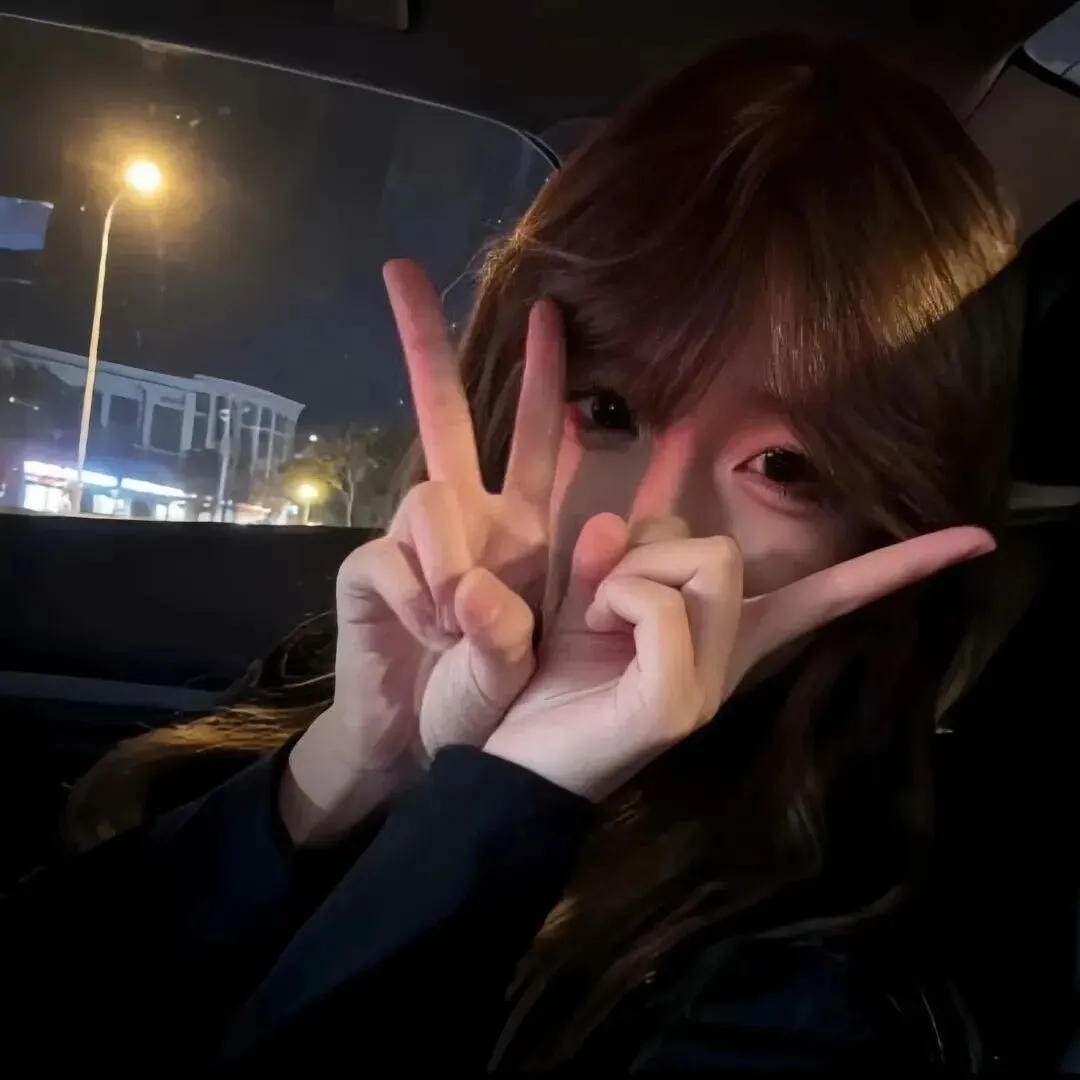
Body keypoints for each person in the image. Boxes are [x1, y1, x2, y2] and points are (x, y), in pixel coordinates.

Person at [7, 33, 1022, 1071]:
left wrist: (507, 797)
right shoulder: (361, 677)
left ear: (890, 519)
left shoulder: (824, 975)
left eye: (786, 467)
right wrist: (359, 766)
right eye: (609, 408)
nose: (643, 530)